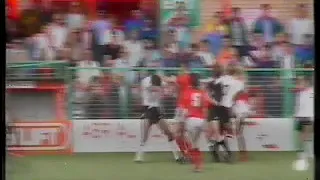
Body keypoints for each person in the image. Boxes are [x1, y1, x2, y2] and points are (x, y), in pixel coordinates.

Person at [134, 74, 182, 163]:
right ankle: (139, 156)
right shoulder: (146, 83)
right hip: (147, 109)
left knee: (169, 133)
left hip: (156, 110)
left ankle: (176, 156)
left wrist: (170, 81)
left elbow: (170, 82)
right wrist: (164, 86)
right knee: (144, 135)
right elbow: (150, 89)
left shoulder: (160, 82)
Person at [181, 73, 216, 172]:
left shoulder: (186, 92)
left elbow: (184, 111)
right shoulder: (202, 92)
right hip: (201, 120)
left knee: (193, 143)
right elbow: (205, 108)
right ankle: (199, 164)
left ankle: (198, 165)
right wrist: (206, 122)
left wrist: (183, 122)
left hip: (191, 120)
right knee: (196, 142)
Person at [211, 64, 245, 163]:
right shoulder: (239, 83)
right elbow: (237, 95)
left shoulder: (220, 79)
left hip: (217, 106)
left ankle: (217, 150)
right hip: (227, 108)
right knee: (228, 131)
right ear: (236, 72)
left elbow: (214, 90)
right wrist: (232, 101)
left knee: (222, 131)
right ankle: (224, 153)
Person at [161, 62, 193, 161]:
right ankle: (189, 154)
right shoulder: (189, 79)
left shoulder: (184, 78)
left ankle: (188, 153)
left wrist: (159, 76)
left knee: (176, 132)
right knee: (181, 133)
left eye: (181, 69)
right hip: (187, 107)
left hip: (182, 108)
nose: (180, 71)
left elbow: (170, 80)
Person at [293, 76, 314, 167]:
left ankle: (307, 152)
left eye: (302, 82)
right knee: (304, 134)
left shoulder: (311, 91)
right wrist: (296, 115)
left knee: (308, 134)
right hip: (303, 116)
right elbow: (298, 105)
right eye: (299, 83)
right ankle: (303, 152)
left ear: (307, 83)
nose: (300, 84)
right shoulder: (300, 93)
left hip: (309, 115)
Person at [232, 71, 250, 161]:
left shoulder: (241, 86)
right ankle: (243, 153)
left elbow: (236, 96)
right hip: (239, 110)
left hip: (242, 110)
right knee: (239, 133)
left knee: (239, 132)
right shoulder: (240, 85)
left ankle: (243, 153)